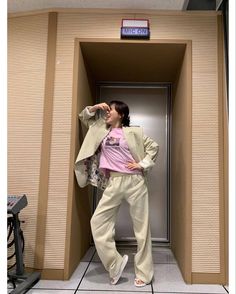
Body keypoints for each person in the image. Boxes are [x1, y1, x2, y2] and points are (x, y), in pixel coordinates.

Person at [74, 101, 159, 287]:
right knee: (97, 222)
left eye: (111, 109)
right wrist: (97, 107)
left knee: (141, 229)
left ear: (120, 114)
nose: (107, 112)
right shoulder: (99, 128)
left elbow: (154, 147)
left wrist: (142, 164)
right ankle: (115, 264)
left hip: (135, 181)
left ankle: (144, 273)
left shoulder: (134, 132)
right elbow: (83, 116)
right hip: (113, 182)